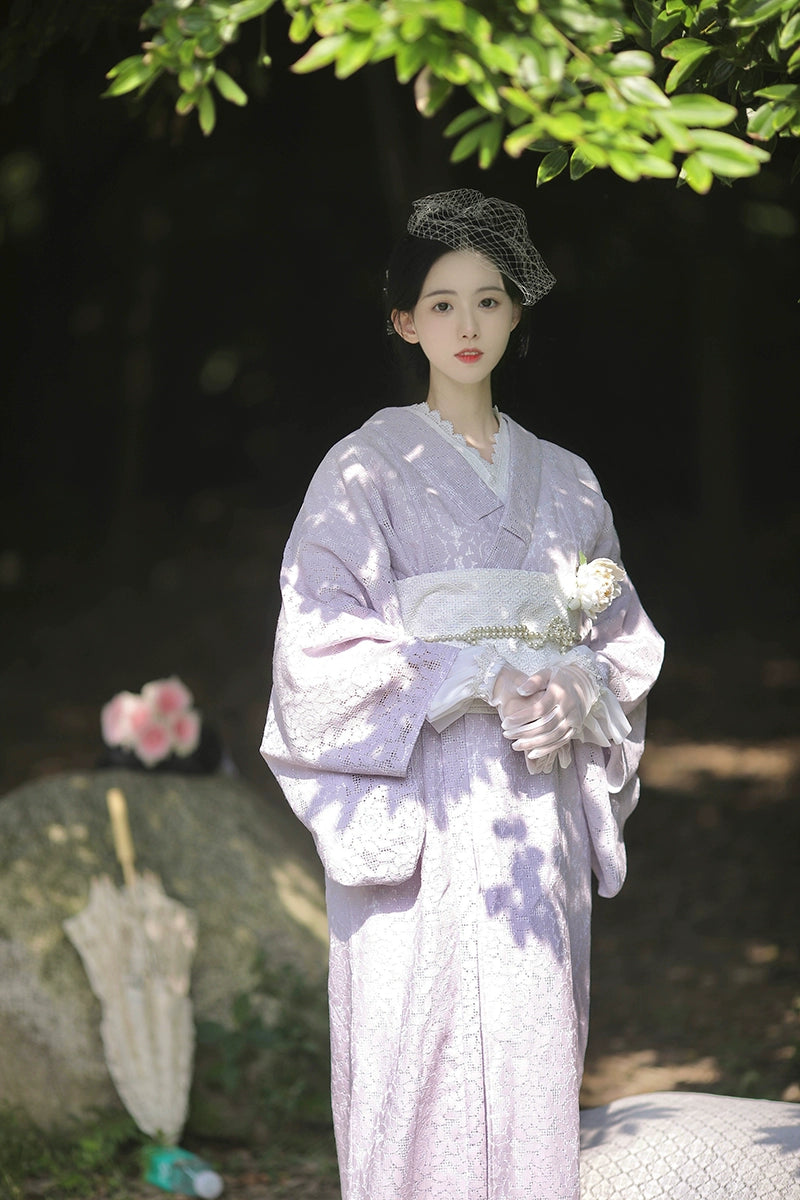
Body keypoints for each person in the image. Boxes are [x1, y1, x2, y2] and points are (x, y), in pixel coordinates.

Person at [261, 188, 664, 1200]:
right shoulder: (362, 470)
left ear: (516, 312)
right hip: (424, 789)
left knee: (532, 1031)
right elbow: (312, 641)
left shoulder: (569, 481)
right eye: (440, 304)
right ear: (403, 321)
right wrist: (454, 672)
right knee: (413, 1038)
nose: (466, 324)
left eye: (487, 300)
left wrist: (581, 693)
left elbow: (618, 639)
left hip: (535, 802)